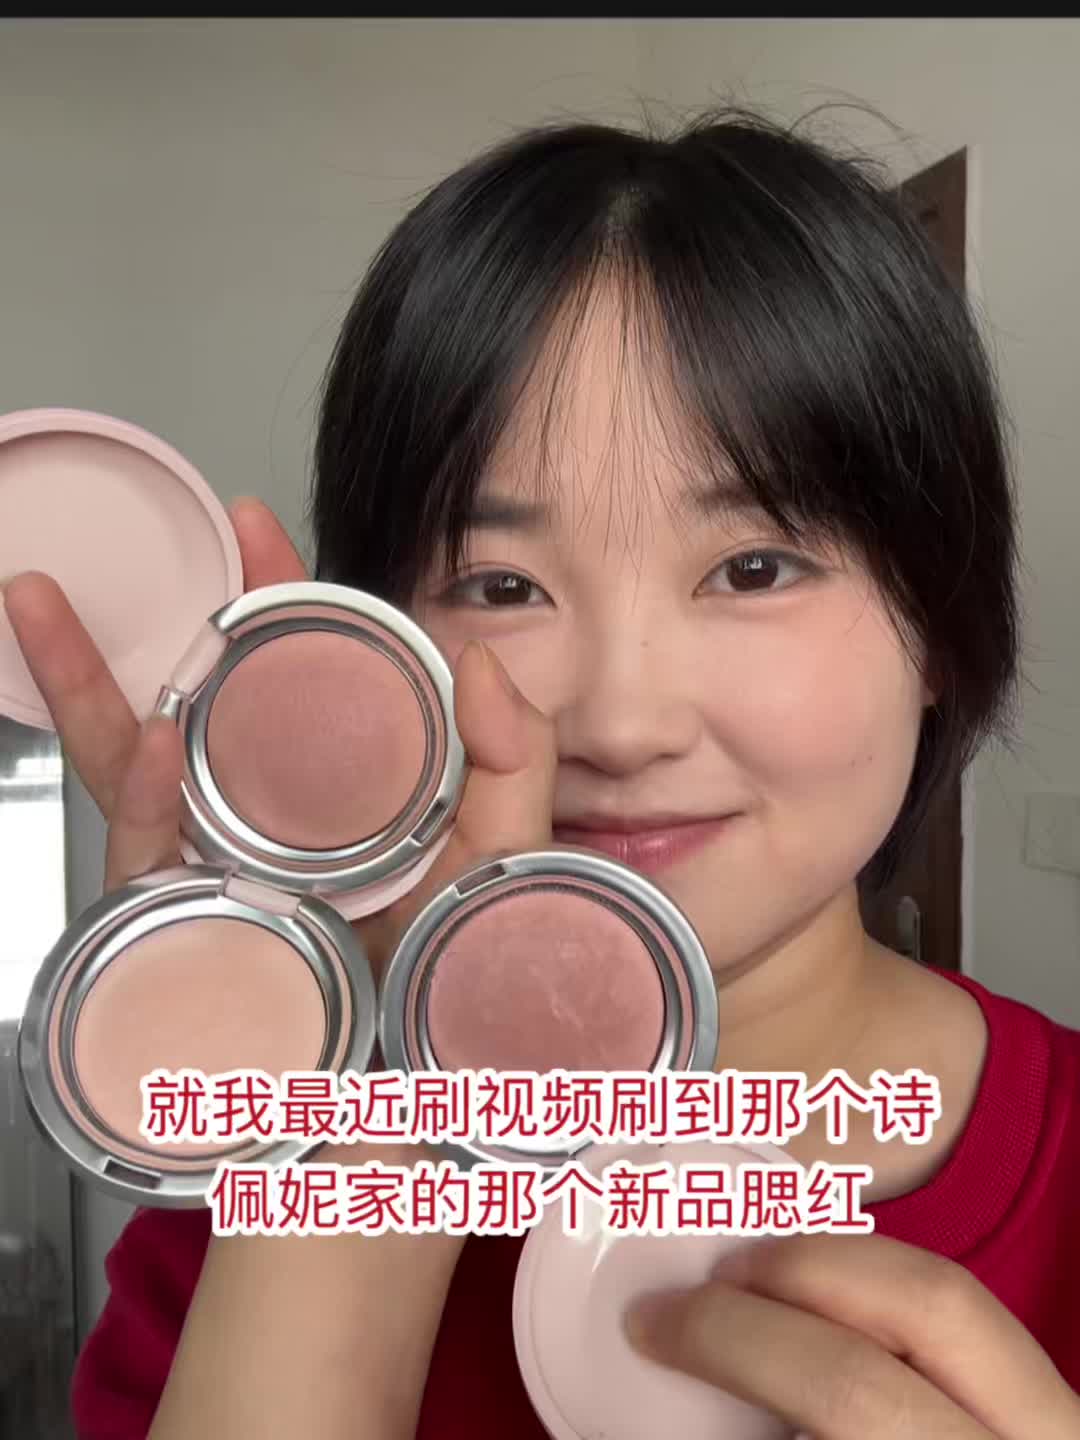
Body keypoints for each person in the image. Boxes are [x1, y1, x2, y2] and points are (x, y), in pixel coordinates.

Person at [5, 106, 1079, 1439]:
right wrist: (367, 1117)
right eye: (501, 585)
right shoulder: (250, 1223)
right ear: (376, 643)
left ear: (938, 624)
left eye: (753, 568)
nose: (620, 723)